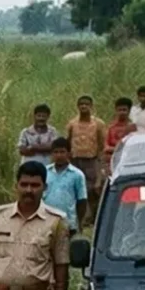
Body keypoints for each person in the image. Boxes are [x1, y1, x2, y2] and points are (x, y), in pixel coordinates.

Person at [64, 96, 106, 229]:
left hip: (91, 161)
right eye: (81, 104)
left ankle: (93, 222)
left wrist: (100, 168)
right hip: (76, 161)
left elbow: (101, 146)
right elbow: (67, 143)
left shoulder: (98, 124)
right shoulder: (72, 124)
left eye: (86, 104)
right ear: (77, 106)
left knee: (93, 190)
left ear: (91, 106)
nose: (84, 107)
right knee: (76, 191)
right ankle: (78, 221)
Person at [41, 135, 87, 235]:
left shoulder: (77, 175)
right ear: (51, 154)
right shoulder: (44, 172)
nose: (59, 155)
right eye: (56, 152)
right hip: (46, 221)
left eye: (62, 152)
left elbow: (82, 200)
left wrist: (79, 223)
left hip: (68, 223)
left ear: (69, 153)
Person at [103, 97, 139, 177]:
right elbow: (106, 147)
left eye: (124, 110)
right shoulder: (111, 127)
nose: (122, 112)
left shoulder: (132, 127)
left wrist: (115, 149)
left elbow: (133, 147)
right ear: (116, 110)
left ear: (129, 111)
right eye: (119, 110)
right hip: (111, 163)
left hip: (127, 162)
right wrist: (119, 149)